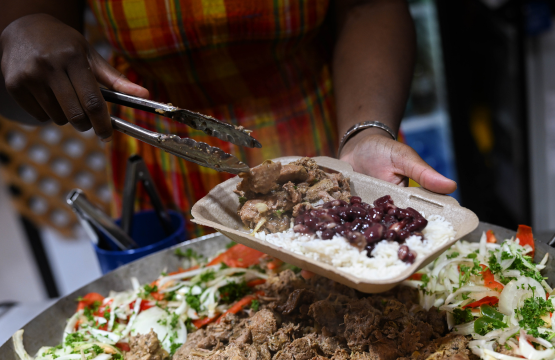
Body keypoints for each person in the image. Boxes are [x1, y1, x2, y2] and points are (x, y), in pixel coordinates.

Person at [0, 0, 456, 238]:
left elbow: (369, 6)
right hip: (165, 157)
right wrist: (16, 38)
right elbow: (19, 98)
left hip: (328, 139)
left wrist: (366, 131)